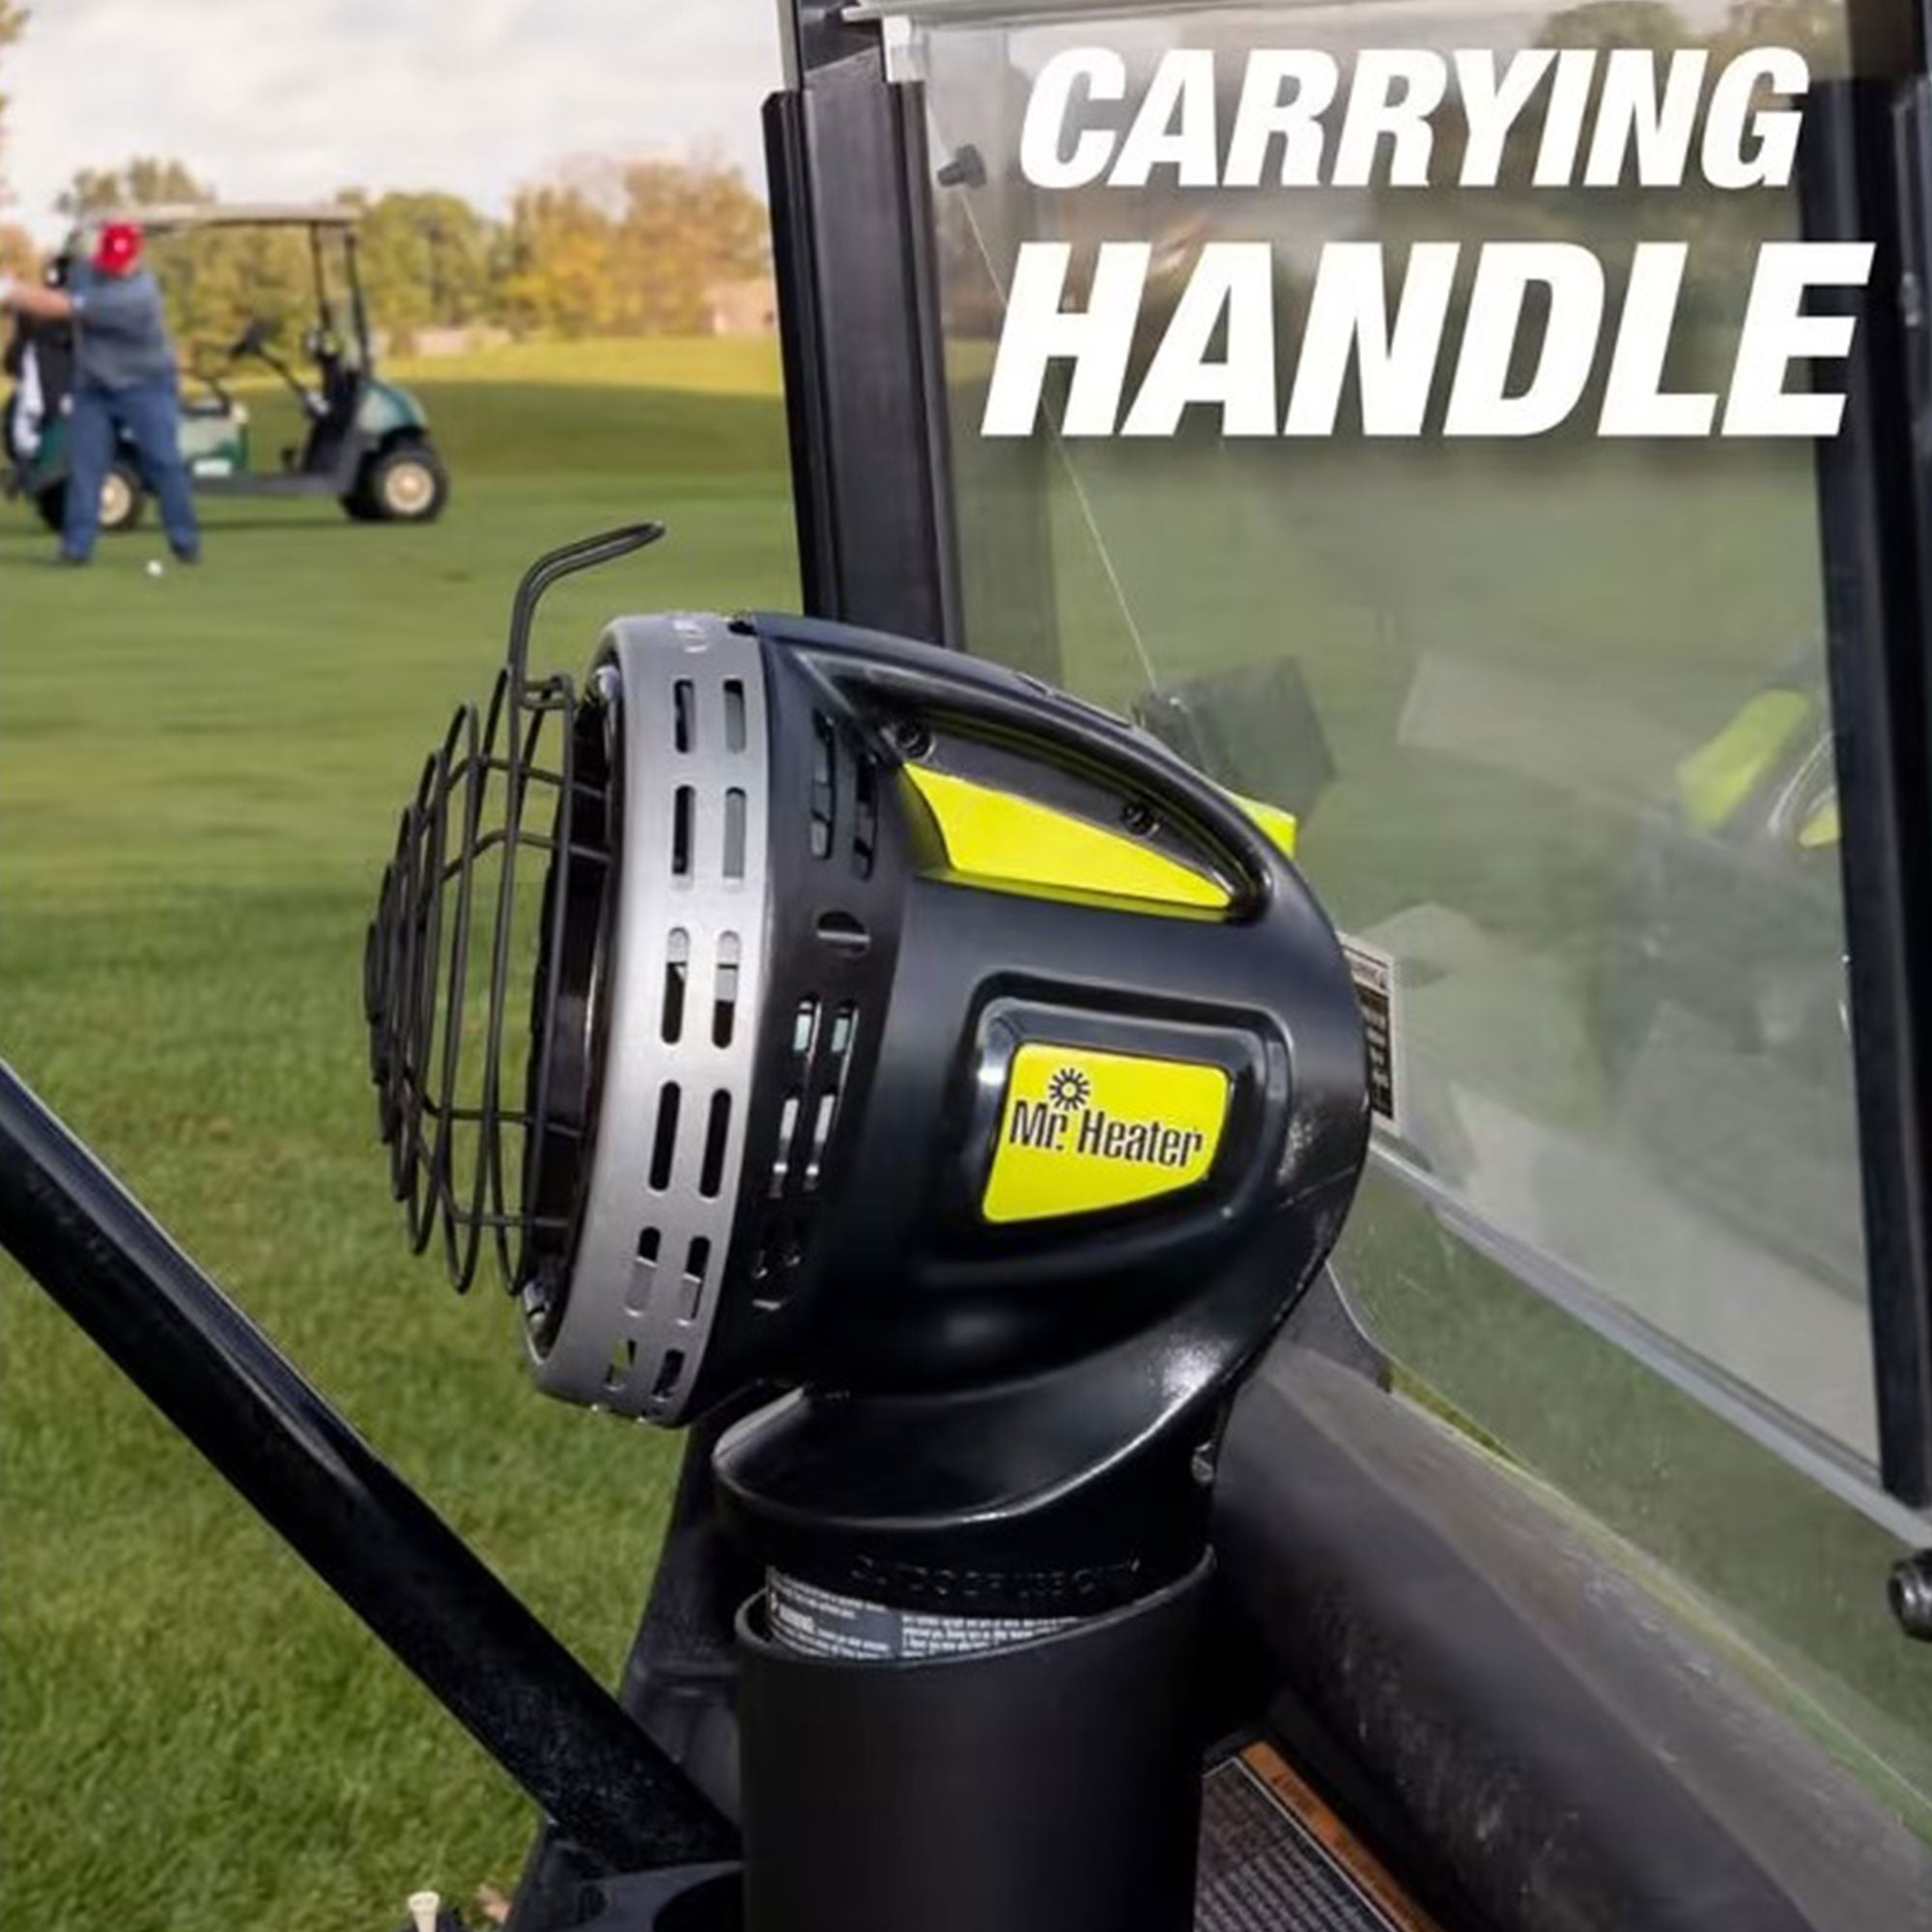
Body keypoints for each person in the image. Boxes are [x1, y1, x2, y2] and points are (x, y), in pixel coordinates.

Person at [0, 219, 200, 564]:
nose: (115, 268)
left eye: (122, 261)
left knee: (163, 462)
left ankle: (185, 541)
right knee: (85, 466)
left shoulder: (138, 295)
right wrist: (15, 295)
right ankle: (76, 548)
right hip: (94, 387)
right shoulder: (87, 272)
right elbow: (51, 297)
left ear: (136, 257)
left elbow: (59, 307)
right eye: (110, 260)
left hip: (145, 386)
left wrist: (9, 290)